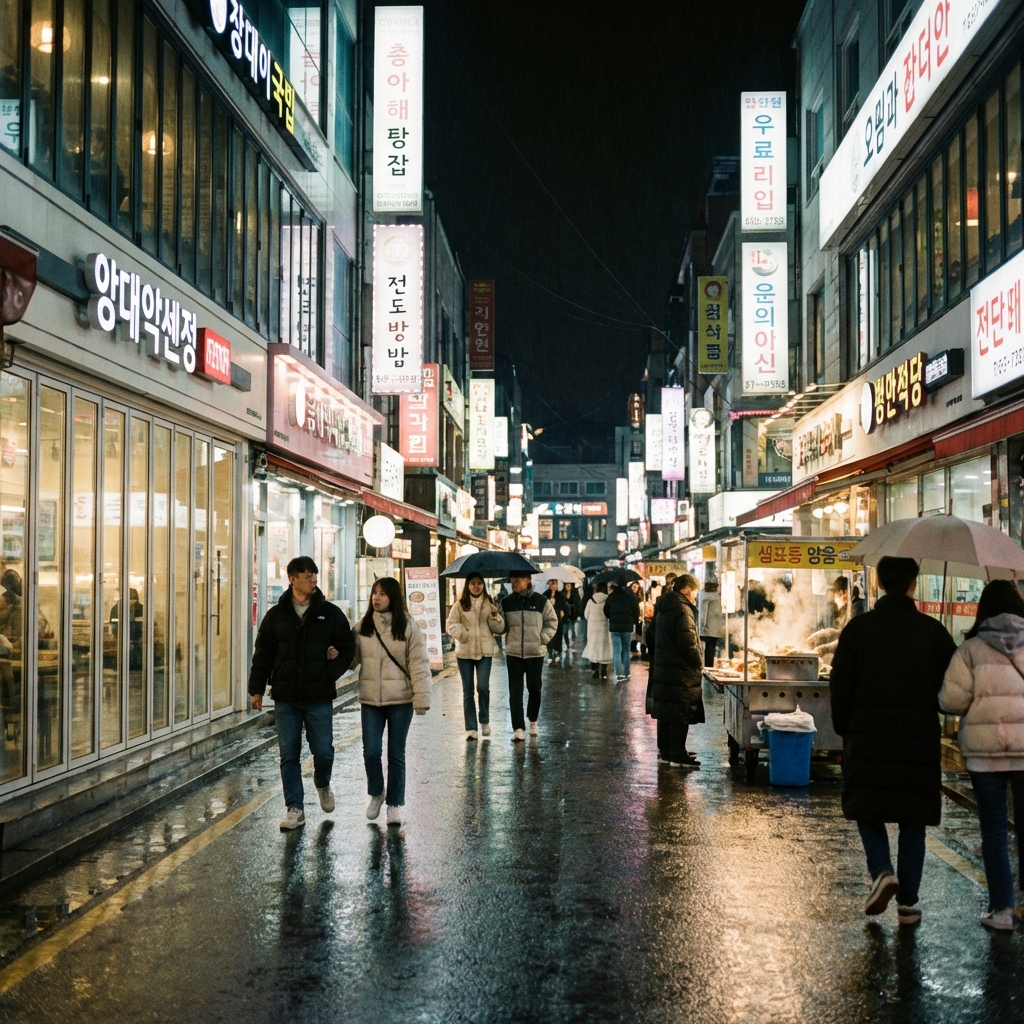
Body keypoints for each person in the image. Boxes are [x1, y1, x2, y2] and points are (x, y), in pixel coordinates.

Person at [830, 556, 957, 926]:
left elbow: (840, 684)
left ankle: (883, 871)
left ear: (879, 584)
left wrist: (844, 728)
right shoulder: (932, 632)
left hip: (867, 736)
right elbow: (953, 684)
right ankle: (909, 904)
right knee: (912, 818)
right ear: (913, 585)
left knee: (865, 807)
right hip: (918, 738)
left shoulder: (858, 629)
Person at [939, 580, 1024, 931]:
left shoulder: (971, 649)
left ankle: (1002, 910)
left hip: (984, 754)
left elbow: (950, 702)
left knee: (993, 830)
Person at [248, 556, 356, 832]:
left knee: (323, 752)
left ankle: (322, 782)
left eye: (315, 574)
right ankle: (295, 808)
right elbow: (263, 654)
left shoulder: (330, 613)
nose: (313, 579)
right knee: (289, 755)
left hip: (319, 695)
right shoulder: (276, 615)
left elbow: (347, 648)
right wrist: (256, 690)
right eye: (307, 575)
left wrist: (331, 672)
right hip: (286, 697)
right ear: (292, 578)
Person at [356, 576, 432, 826]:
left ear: (394, 598)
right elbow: (351, 659)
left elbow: (419, 663)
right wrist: (334, 654)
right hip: (370, 701)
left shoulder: (409, 626)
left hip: (401, 700)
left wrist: (421, 698)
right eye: (374, 593)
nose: (376, 598)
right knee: (371, 752)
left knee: (396, 754)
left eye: (382, 594)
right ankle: (377, 792)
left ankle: (395, 804)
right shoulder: (362, 626)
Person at [650, 574, 704, 768]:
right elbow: (688, 642)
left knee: (667, 710)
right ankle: (677, 754)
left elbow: (651, 635)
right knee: (681, 710)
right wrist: (698, 663)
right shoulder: (682, 609)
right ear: (687, 589)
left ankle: (666, 751)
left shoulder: (664, 606)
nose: (695, 596)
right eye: (695, 591)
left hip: (665, 666)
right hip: (680, 669)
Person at [446, 572, 504, 741]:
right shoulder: (460, 604)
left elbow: (499, 629)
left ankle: (484, 720)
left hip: (485, 651)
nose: (476, 586)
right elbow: (451, 624)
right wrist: (463, 634)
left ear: (483, 585)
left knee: (483, 687)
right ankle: (471, 728)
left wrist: (495, 616)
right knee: (468, 690)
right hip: (464, 652)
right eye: (473, 583)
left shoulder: (489, 603)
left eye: (479, 583)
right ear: (468, 585)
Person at [501, 571, 557, 740]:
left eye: (517, 580)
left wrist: (542, 639)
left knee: (534, 688)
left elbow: (552, 622)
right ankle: (518, 728)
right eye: (512, 580)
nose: (513, 583)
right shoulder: (506, 602)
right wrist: (495, 616)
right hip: (513, 653)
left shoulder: (541, 601)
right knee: (515, 691)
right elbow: (500, 628)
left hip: (535, 653)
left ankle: (532, 719)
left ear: (528, 580)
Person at [604, 580, 639, 681]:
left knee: (616, 650)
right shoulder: (631, 596)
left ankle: (618, 673)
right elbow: (636, 610)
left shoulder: (611, 596)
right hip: (627, 627)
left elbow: (606, 610)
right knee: (626, 650)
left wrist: (611, 617)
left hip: (614, 627)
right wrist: (634, 621)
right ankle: (627, 673)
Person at [583, 582, 613, 680]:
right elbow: (609, 613)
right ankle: (603, 672)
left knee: (593, 647)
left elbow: (586, 615)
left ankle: (595, 670)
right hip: (604, 627)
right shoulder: (608, 600)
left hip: (593, 628)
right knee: (604, 648)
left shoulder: (591, 601)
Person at [698, 581, 725, 668]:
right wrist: (703, 626)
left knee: (708, 648)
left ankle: (707, 665)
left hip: (708, 627)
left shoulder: (703, 596)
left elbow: (703, 613)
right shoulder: (715, 597)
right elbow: (704, 613)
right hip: (712, 627)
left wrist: (702, 625)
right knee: (710, 648)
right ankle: (708, 666)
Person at [544, 578, 569, 666]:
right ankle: (550, 654)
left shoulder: (560, 595)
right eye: (551, 584)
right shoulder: (545, 595)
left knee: (558, 637)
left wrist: (563, 611)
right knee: (549, 638)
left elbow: (564, 606)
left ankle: (557, 652)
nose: (553, 586)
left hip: (558, 619)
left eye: (555, 584)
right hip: (548, 620)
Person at [562, 581, 583, 659]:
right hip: (565, 615)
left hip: (572, 615)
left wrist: (578, 613)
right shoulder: (562, 593)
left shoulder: (575, 593)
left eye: (569, 585)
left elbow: (578, 603)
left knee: (573, 631)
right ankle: (567, 646)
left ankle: (572, 645)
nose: (568, 586)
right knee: (565, 632)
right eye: (566, 585)